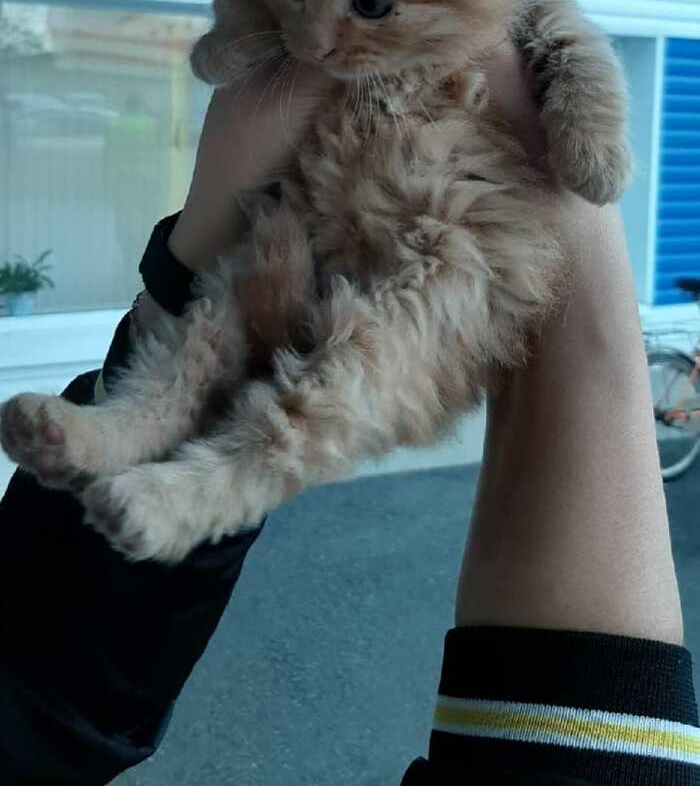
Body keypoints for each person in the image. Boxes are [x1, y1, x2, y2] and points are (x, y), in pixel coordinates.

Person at [0, 44, 696, 785]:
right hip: (349, 209)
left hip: (433, 238)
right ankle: (142, 448)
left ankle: (190, 475)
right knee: (242, 326)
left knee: (331, 367)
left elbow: (41, 698)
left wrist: (190, 253)